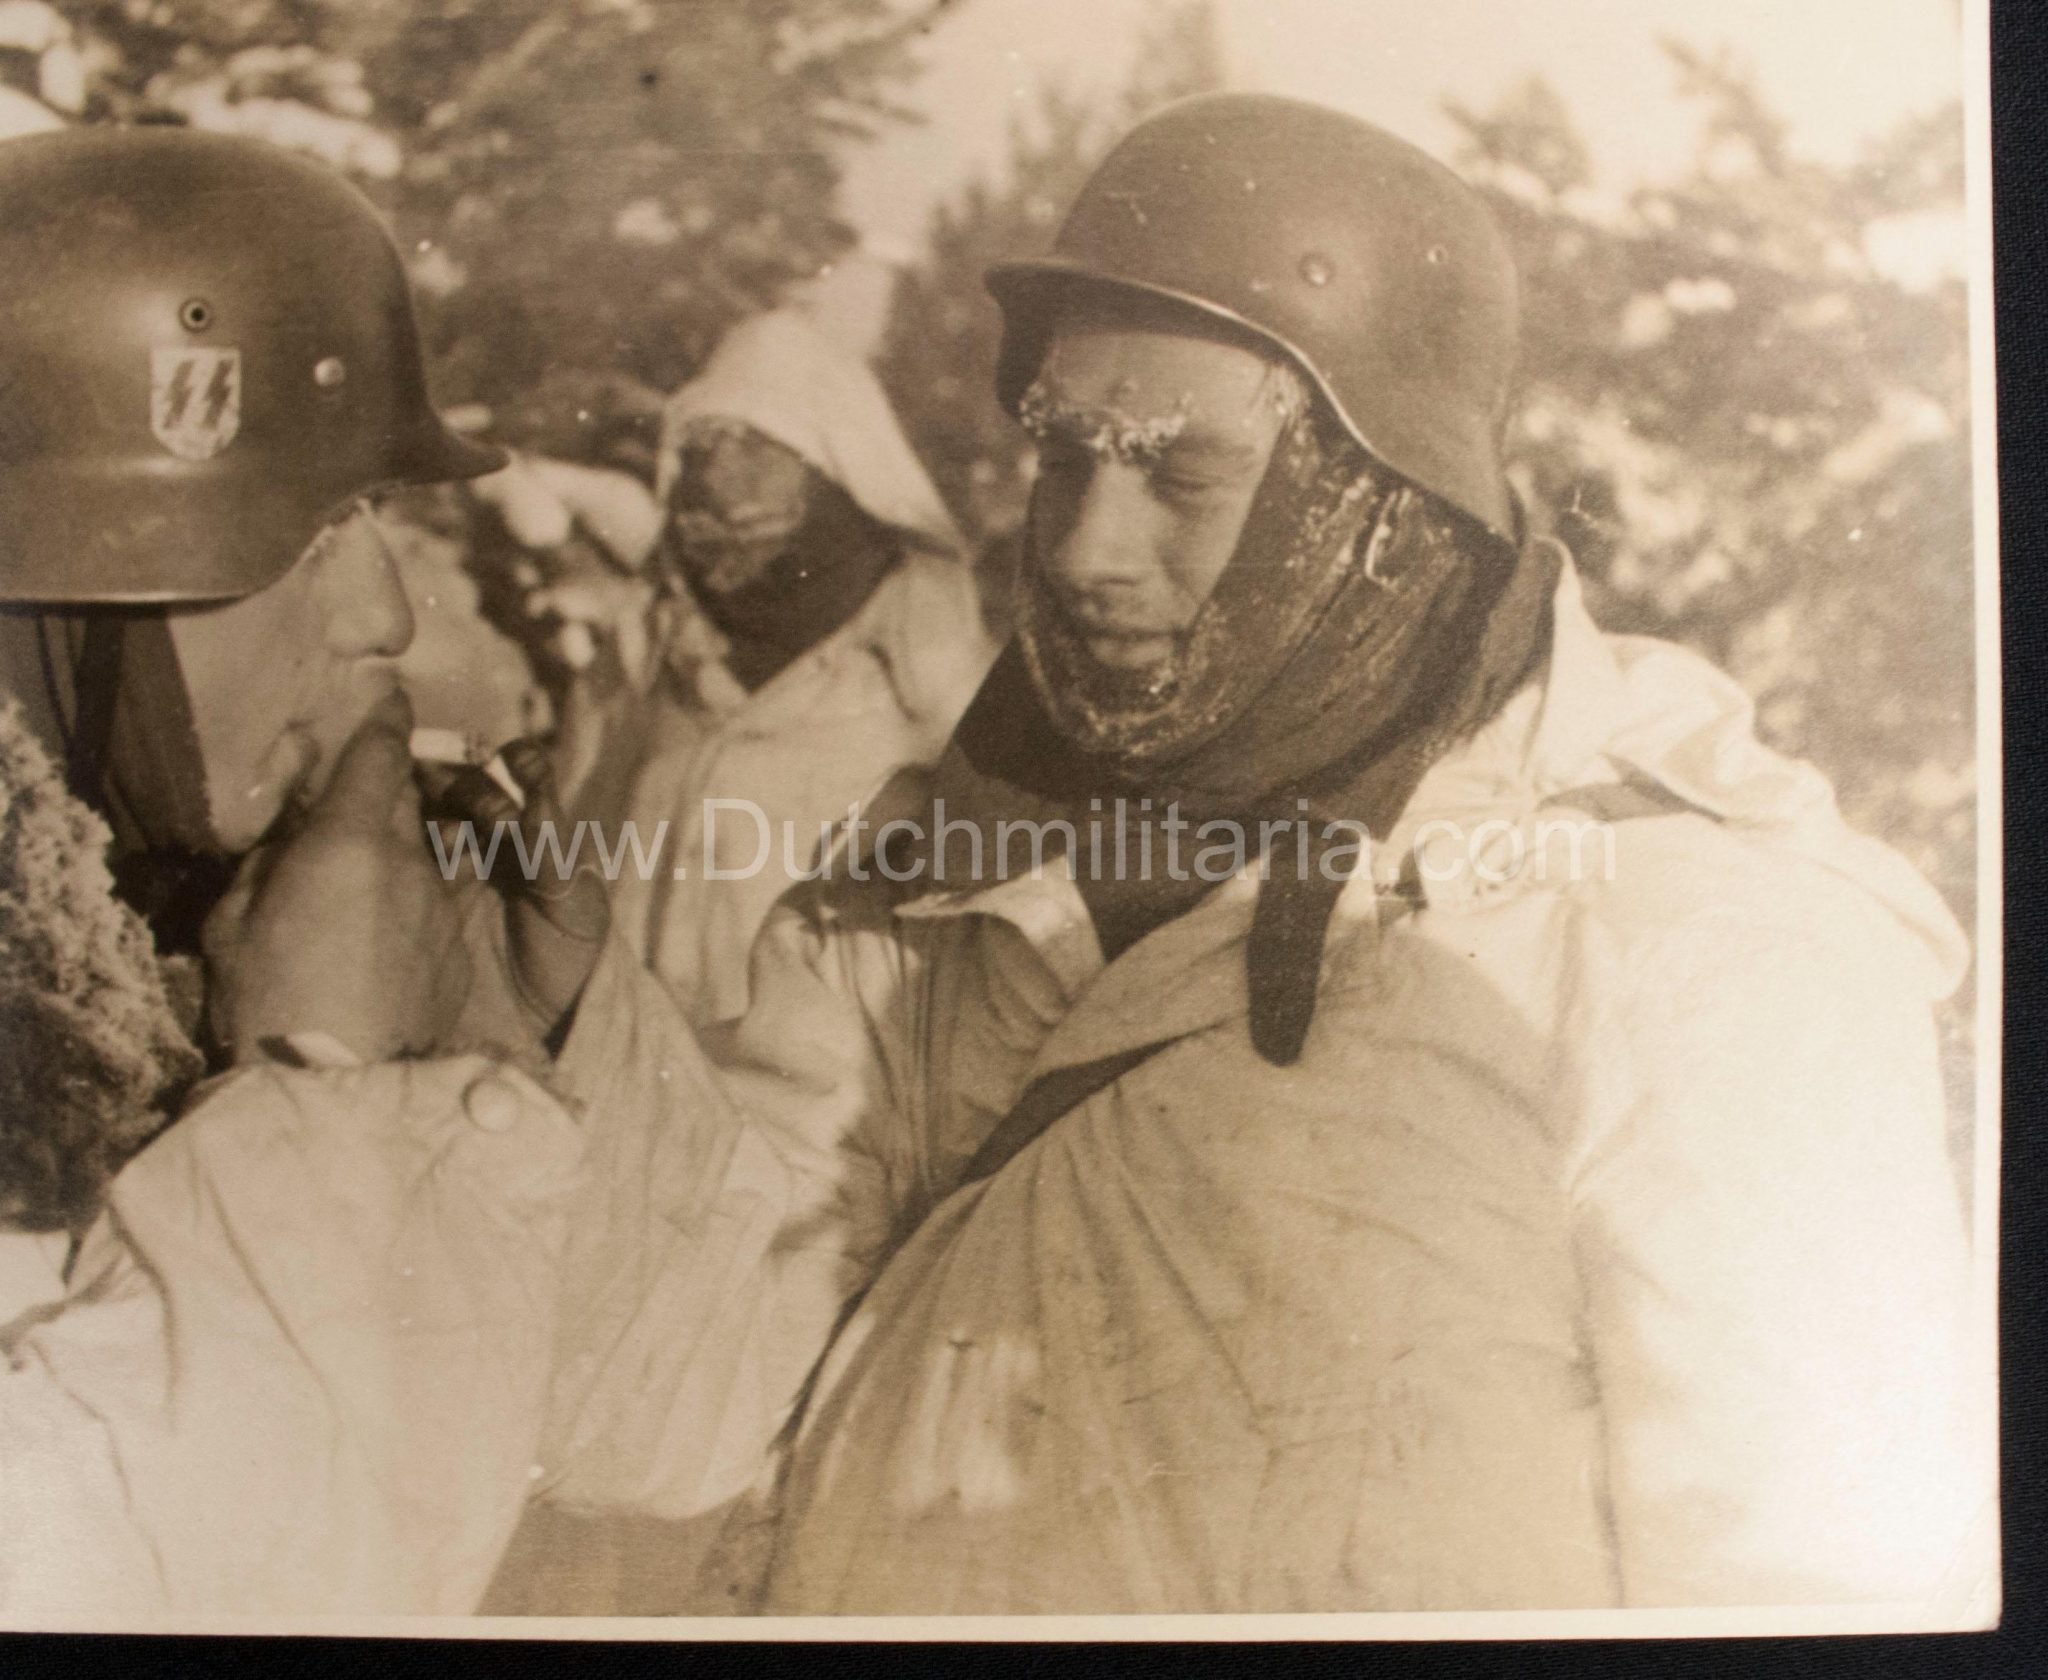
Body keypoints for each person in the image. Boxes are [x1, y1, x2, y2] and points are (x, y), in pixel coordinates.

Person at [498, 93, 1992, 1617]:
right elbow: (659, 1422)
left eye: (1181, 475)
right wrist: (565, 1025)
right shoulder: (951, 872)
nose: (1084, 547)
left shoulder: (1696, 941)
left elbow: (1825, 1585)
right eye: (1063, 460)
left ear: (1393, 504)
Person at [0, 126, 606, 1616]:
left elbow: (656, 1448)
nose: (390, 618)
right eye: (325, 527)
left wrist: (489, 1058)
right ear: (84, 568)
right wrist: (317, 1097)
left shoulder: (113, 965)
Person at [592, 309, 994, 1025]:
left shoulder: (923, 656)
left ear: (830, 468)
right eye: (703, 445)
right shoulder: (655, 649)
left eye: (758, 446)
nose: (719, 474)